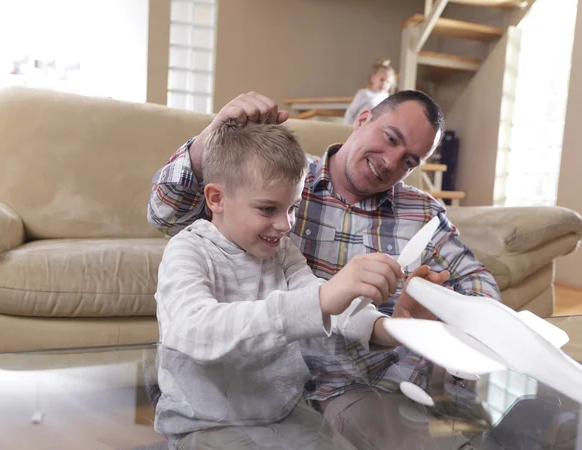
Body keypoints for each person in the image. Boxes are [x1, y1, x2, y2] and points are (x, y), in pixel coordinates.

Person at [148, 90, 501, 449]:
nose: (287, 225)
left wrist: (394, 328)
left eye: (409, 161)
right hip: (211, 419)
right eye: (391, 138)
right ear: (363, 119)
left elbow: (331, 301)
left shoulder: (282, 247)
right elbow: (193, 329)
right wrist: (321, 298)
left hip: (284, 407)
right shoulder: (205, 235)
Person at [343, 59, 397, 125]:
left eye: (388, 82)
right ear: (372, 78)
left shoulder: (387, 98)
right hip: (358, 127)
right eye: (381, 80)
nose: (384, 84)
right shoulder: (364, 94)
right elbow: (351, 112)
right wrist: (347, 127)